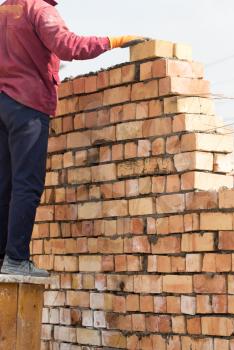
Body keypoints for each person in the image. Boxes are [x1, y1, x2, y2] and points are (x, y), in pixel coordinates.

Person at [0, 0, 147, 277]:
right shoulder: (39, 10)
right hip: (27, 105)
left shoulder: (5, 9)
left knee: (4, 185)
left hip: (3, 104)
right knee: (26, 185)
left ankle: (3, 259)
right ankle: (16, 259)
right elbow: (68, 45)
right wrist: (115, 40)